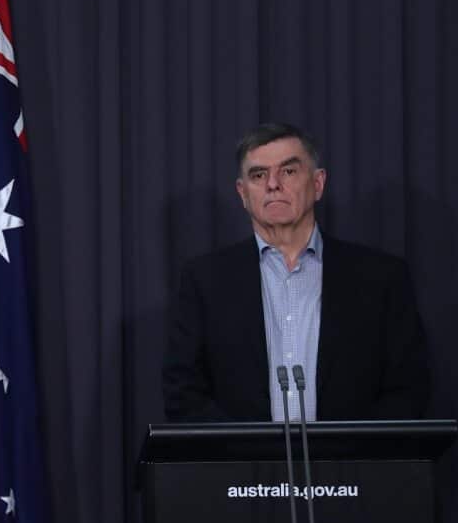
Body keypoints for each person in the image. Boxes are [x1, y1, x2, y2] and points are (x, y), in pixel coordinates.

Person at [162, 122, 430, 422]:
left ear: (318, 184)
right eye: (258, 175)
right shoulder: (204, 281)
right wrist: (246, 458)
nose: (273, 184)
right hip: (241, 467)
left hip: (350, 466)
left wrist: (350, 458)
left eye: (288, 171)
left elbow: (409, 389)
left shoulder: (382, 278)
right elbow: (183, 393)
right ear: (242, 193)